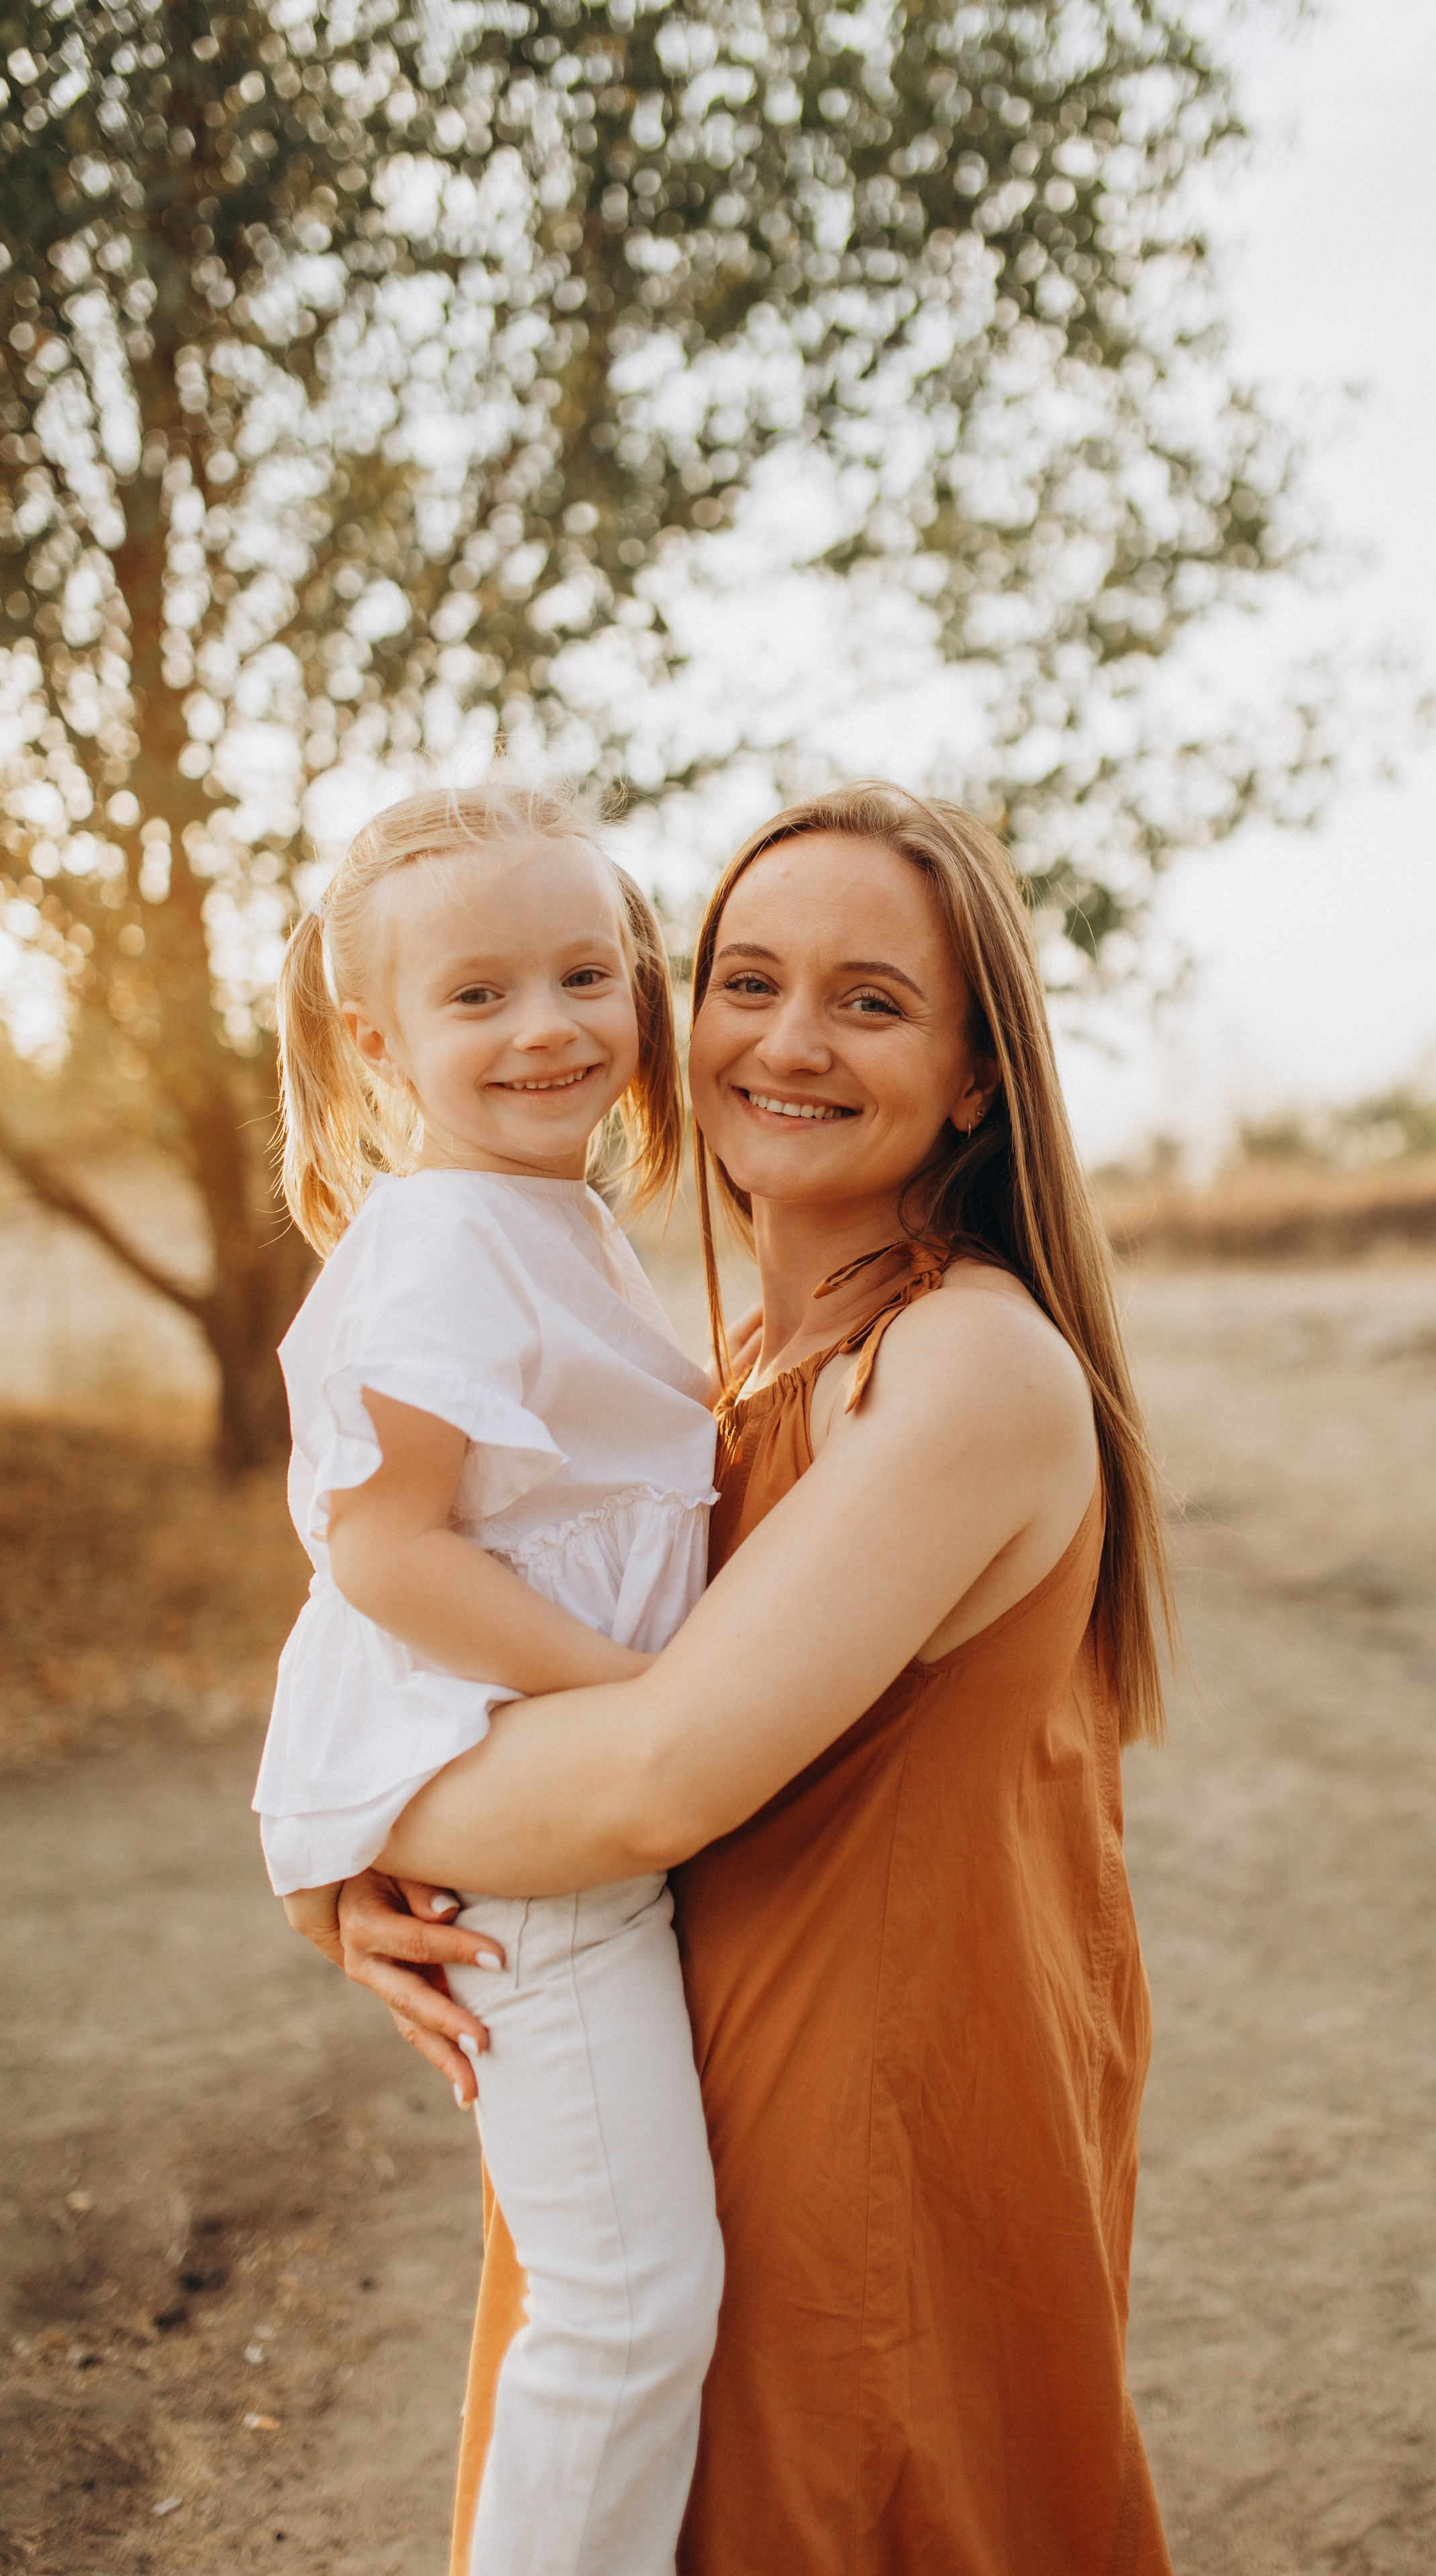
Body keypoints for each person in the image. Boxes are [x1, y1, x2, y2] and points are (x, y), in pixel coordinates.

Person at [316, 782, 1178, 2575]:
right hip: (679, 2065)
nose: (786, 1040)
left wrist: (355, 1815)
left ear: (974, 1074)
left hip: (854, 2113)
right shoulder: (730, 1364)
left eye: (869, 1000)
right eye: (746, 979)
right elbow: (414, 1568)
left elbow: (649, 1776)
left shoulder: (966, 1369)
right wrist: (351, 1876)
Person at [262, 783, 725, 2576]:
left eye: (583, 975)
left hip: (563, 1807)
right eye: (478, 998)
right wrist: (632, 1701)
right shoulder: (443, 1238)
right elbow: (384, 1551)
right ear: (380, 1038)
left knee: (634, 2297)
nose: (546, 1027)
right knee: (623, 2315)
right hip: (535, 1839)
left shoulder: (552, 1219)